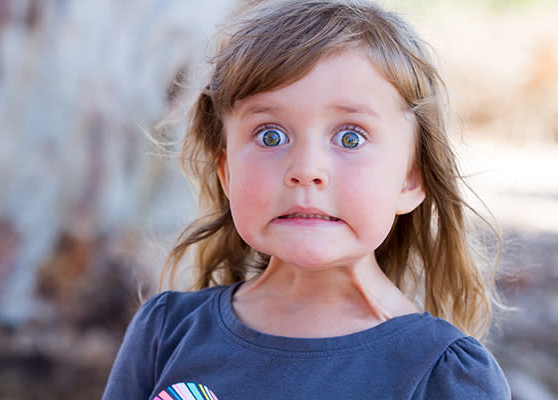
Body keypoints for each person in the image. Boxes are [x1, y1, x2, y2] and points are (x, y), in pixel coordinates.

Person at [103, 0, 511, 398]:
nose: (306, 168)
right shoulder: (166, 333)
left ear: (410, 179)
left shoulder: (446, 376)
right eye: (270, 135)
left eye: (350, 137)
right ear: (226, 172)